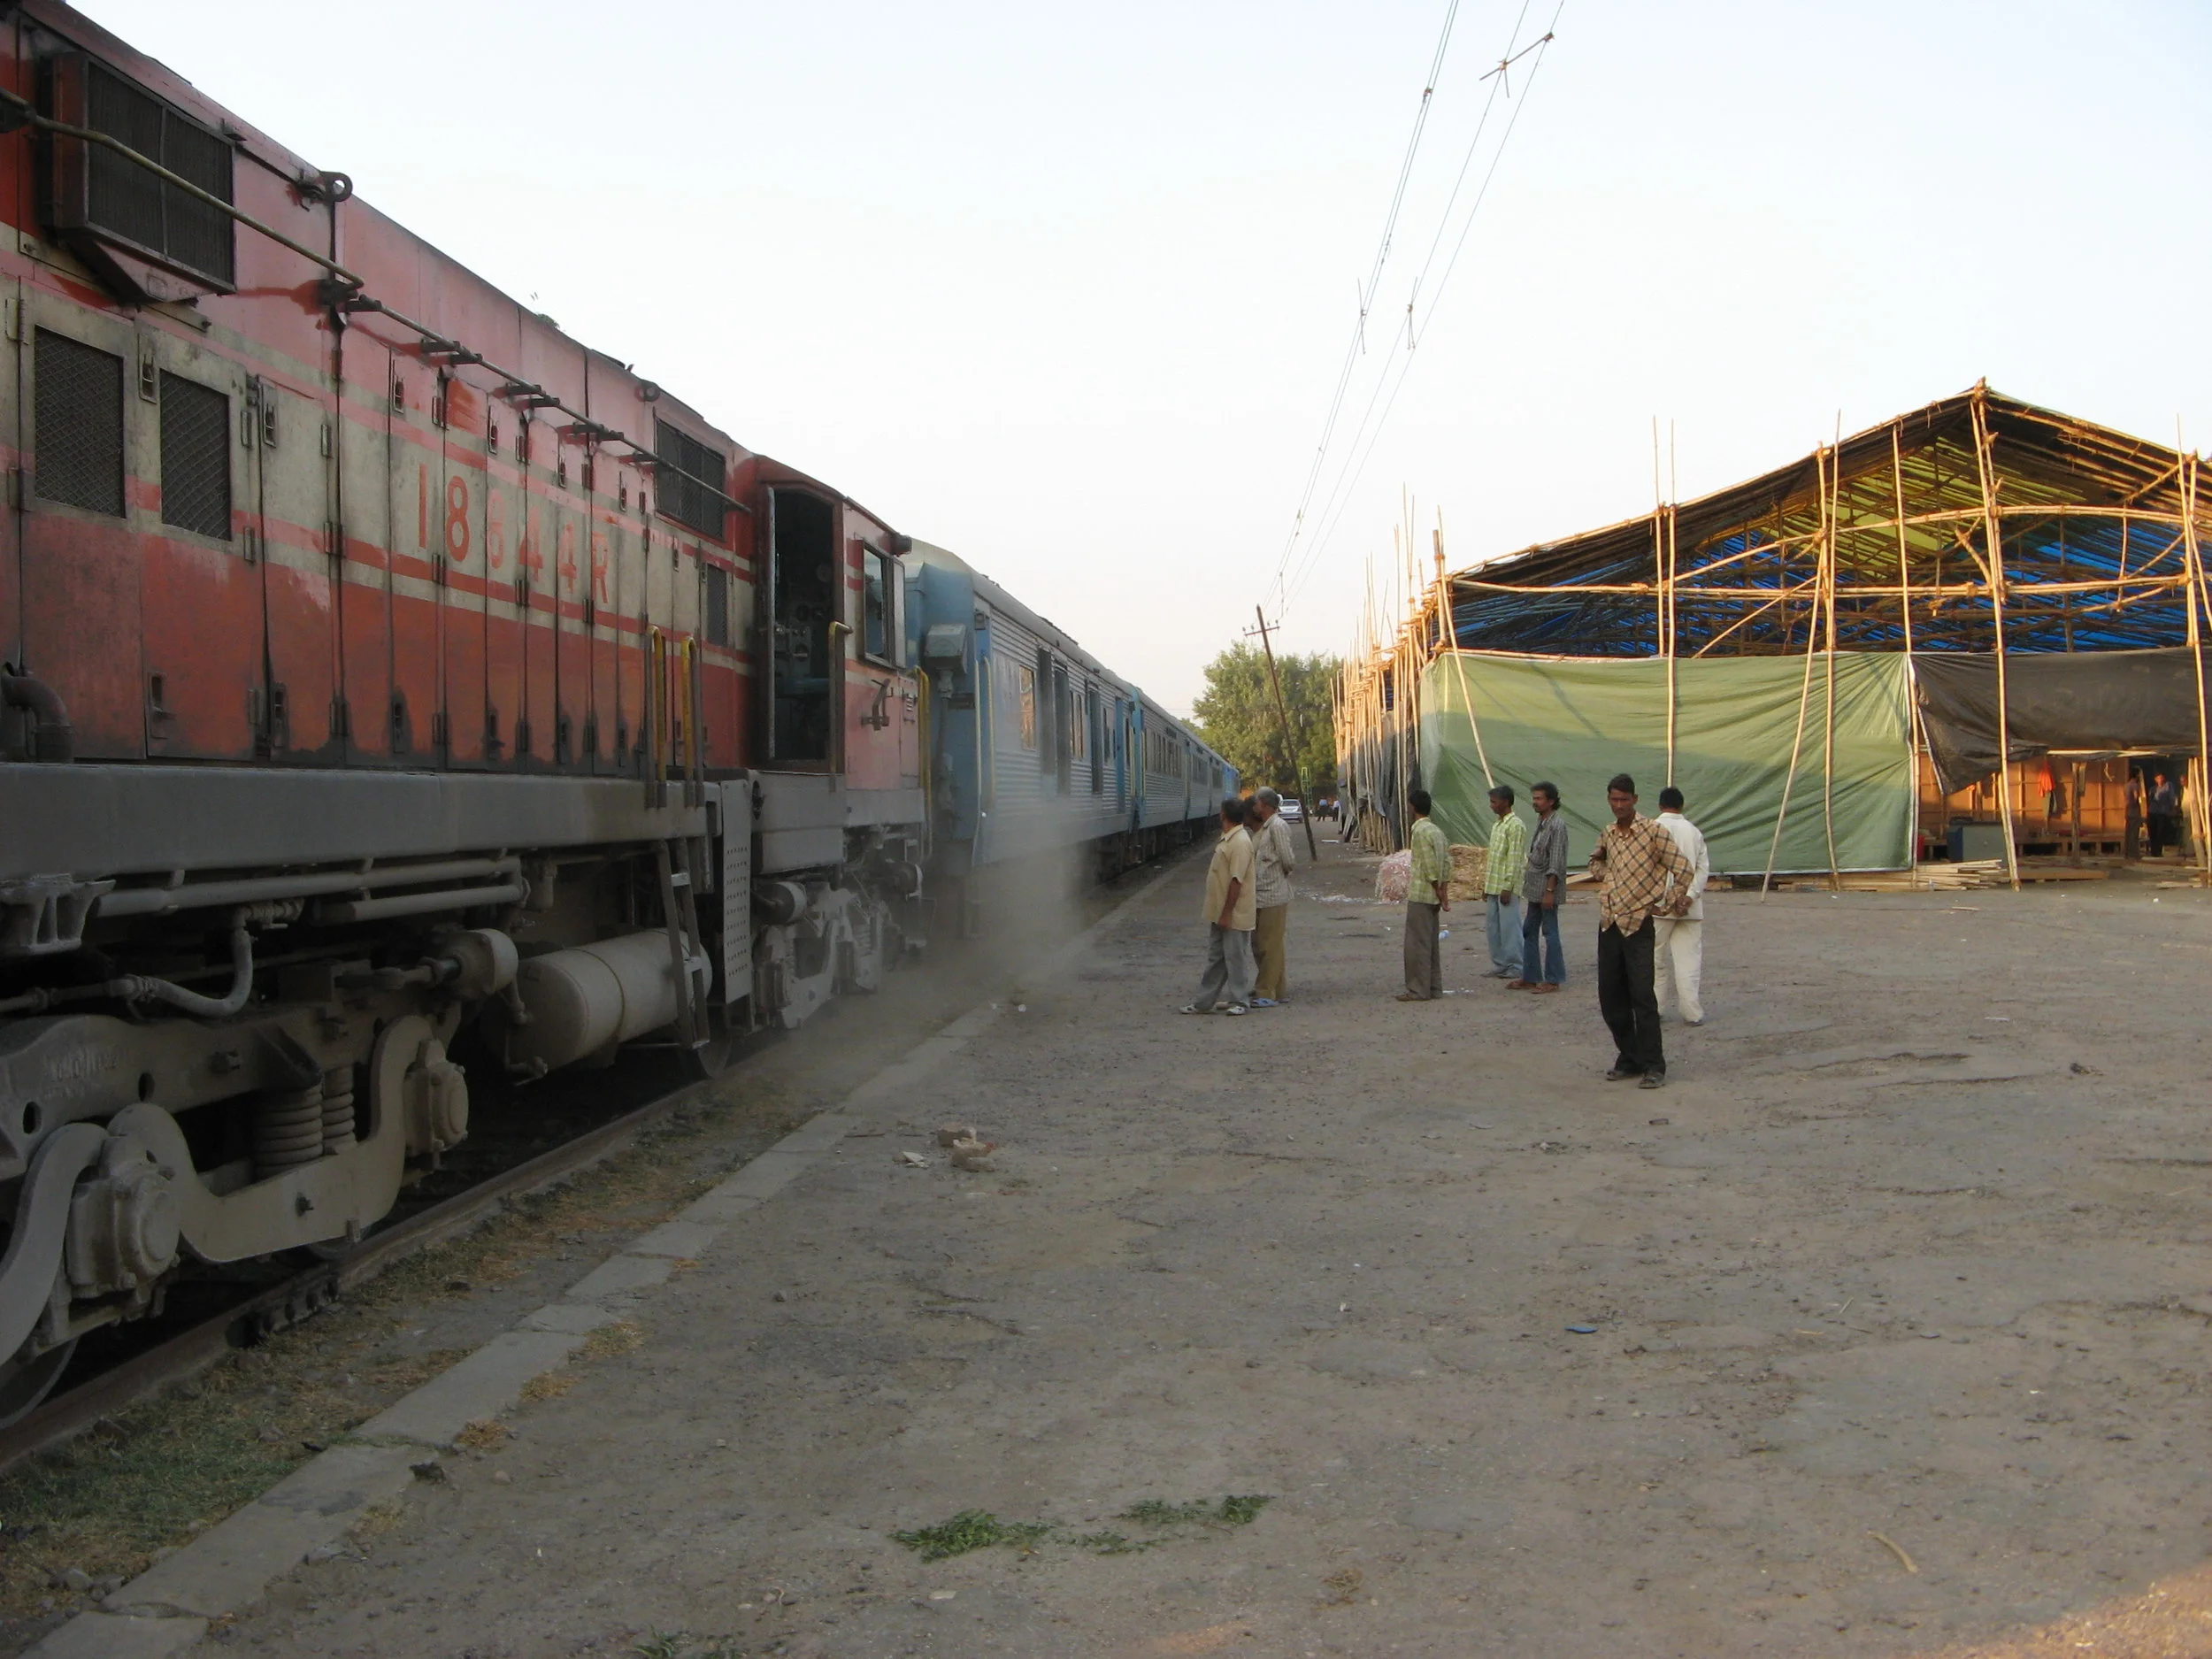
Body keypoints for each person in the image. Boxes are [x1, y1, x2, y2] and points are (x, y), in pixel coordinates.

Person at [1586, 772, 1694, 1090]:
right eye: (1614, 800)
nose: (1619, 805)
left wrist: (1670, 902)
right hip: (1609, 922)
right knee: (1610, 996)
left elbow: (1683, 869)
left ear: (1634, 800)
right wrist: (1609, 879)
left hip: (1639, 924)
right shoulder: (1608, 833)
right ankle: (1629, 1057)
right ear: (1609, 800)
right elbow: (1595, 861)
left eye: (1624, 799)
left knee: (1642, 997)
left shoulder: (1652, 832)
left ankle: (1654, 1065)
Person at [1182, 796, 1256, 1016]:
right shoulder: (1229, 839)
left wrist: (1226, 914)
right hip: (1220, 912)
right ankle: (1203, 1003)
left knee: (1235, 958)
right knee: (1217, 958)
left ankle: (1240, 1002)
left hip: (1233, 913)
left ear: (1224, 815)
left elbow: (1236, 881)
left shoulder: (1240, 842)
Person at [1652, 786, 1709, 1026]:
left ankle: (1654, 1010)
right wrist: (1690, 896)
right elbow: (1702, 868)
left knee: (1653, 961)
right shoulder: (1694, 832)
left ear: (1660, 805)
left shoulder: (1651, 829)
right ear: (1682, 806)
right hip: (1690, 909)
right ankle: (1692, 1013)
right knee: (1688, 962)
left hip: (1658, 907)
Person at [1510, 781, 1569, 994]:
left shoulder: (1557, 825)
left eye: (1539, 798)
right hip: (1535, 888)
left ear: (1551, 801)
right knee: (1529, 930)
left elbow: (1556, 862)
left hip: (1546, 889)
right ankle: (1531, 976)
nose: (1535, 802)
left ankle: (1553, 979)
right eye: (1534, 798)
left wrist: (1550, 891)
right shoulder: (1543, 822)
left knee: (1550, 932)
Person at [1399, 787, 1448, 1002]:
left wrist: (1436, 885)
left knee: (1416, 944)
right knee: (1431, 944)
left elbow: (1428, 863)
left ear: (1413, 807)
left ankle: (1418, 989)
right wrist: (1443, 891)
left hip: (1421, 893)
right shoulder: (1437, 831)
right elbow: (1446, 861)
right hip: (1434, 895)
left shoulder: (1419, 831)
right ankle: (1433, 987)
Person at [1249, 786, 1297, 1007]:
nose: (1254, 808)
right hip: (1263, 894)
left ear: (1265, 805)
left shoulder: (1277, 826)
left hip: (1273, 894)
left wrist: (1276, 876)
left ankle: (1265, 992)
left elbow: (1288, 860)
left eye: (1257, 803)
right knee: (1264, 944)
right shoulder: (1266, 828)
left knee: (1270, 946)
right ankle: (1278, 988)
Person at [1479, 785, 1528, 979]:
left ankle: (1516, 964)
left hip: (1506, 887)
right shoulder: (1497, 825)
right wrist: (1486, 885)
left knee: (1509, 927)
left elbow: (1514, 859)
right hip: (1493, 885)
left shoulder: (1515, 825)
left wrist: (1508, 886)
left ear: (1505, 802)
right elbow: (1495, 858)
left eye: (1494, 802)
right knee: (1494, 927)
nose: (1491, 806)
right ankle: (1500, 963)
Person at [2149, 771, 2179, 858]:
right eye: (2158, 778)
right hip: (2152, 812)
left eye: (2162, 777)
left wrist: (2173, 808)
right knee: (2153, 832)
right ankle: (2153, 851)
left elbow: (2172, 798)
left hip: (2162, 813)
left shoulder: (2168, 786)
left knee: (2160, 832)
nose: (2160, 779)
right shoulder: (2152, 789)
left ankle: (2158, 851)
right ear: (2155, 779)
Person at [2124, 768, 2146, 862]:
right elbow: (2136, 796)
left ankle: (2127, 853)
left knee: (2128, 832)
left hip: (2128, 809)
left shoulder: (2126, 785)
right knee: (2134, 833)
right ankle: (2134, 853)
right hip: (2134, 810)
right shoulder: (2135, 785)